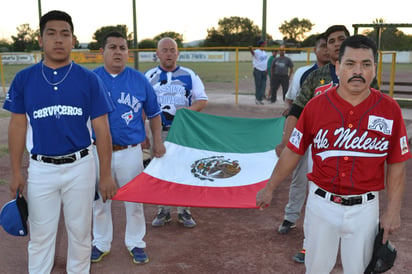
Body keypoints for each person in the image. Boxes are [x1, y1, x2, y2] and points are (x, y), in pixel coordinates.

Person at [257, 34, 411, 274]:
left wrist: (392, 210)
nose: (357, 71)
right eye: (350, 63)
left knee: (359, 270)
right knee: (316, 269)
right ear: (337, 67)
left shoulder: (389, 109)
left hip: (365, 209)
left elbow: (397, 163)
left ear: (374, 69)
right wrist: (270, 187)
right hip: (321, 205)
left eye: (366, 64)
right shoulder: (316, 106)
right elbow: (293, 151)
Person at [3, 10, 117, 274]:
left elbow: (102, 127)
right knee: (41, 236)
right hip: (41, 168)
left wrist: (106, 174)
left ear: (73, 40)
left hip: (80, 165)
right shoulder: (24, 79)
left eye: (65, 34)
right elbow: (18, 125)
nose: (58, 39)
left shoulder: (89, 79)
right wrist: (17, 171)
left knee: (79, 234)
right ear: (41, 40)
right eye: (51, 33)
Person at [90, 31, 166, 264]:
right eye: (112, 47)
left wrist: (157, 141)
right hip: (96, 151)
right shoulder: (91, 79)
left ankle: (136, 243)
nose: (118, 52)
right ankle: (100, 242)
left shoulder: (139, 79)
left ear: (128, 53)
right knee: (100, 202)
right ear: (102, 52)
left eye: (122, 48)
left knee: (134, 202)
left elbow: (154, 114)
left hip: (130, 151)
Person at [277, 33, 329, 264]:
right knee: (299, 177)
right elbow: (292, 103)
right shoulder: (304, 73)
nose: (327, 49)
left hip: (331, 141)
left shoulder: (344, 73)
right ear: (315, 49)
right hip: (306, 134)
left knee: (325, 185)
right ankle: (290, 217)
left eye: (331, 45)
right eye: (322, 46)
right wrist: (289, 135)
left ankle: (324, 230)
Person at [145, 37, 208, 228]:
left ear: (177, 52)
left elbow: (202, 100)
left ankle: (184, 211)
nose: (169, 54)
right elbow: (142, 105)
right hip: (159, 131)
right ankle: (163, 211)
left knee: (184, 168)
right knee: (162, 169)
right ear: (157, 53)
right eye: (164, 50)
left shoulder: (189, 74)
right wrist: (142, 134)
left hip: (183, 132)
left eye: (172, 50)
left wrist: (186, 112)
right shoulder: (149, 76)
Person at [249, 39, 268, 105]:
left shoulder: (265, 52)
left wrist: (266, 69)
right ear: (261, 44)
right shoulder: (257, 51)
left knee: (263, 85)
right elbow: (253, 53)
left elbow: (265, 62)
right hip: (258, 70)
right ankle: (257, 99)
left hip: (264, 71)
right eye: (263, 44)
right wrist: (250, 49)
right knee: (258, 85)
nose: (264, 45)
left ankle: (260, 98)